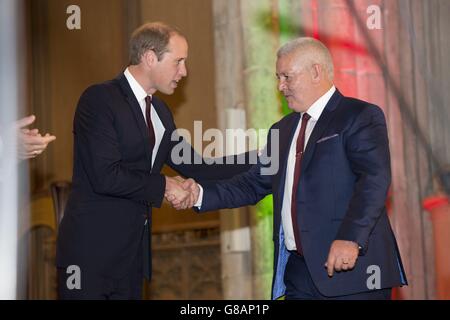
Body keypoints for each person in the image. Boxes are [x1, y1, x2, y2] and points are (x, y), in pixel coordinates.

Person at [168, 37, 408, 300]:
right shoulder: (281, 131)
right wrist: (198, 194)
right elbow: (251, 184)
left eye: (287, 77)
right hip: (298, 275)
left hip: (353, 272)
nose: (281, 86)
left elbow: (373, 181)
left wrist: (351, 239)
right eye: (277, 77)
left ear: (316, 71)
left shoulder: (359, 116)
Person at [56, 22, 252, 299]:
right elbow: (105, 175)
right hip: (89, 259)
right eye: (179, 61)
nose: (184, 72)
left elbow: (199, 167)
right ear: (150, 57)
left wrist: (266, 158)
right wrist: (165, 186)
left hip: (132, 261)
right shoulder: (99, 99)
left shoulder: (159, 111)